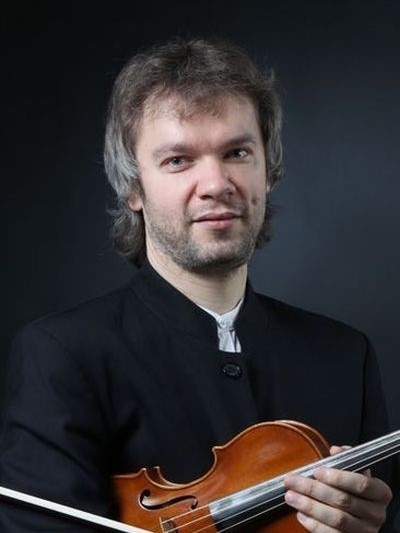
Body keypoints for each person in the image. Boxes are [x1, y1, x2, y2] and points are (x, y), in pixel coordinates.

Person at [0, 37, 398, 532]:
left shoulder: (345, 356)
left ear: (269, 171)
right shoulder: (62, 356)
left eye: (237, 152)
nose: (215, 184)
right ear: (133, 187)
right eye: (178, 160)